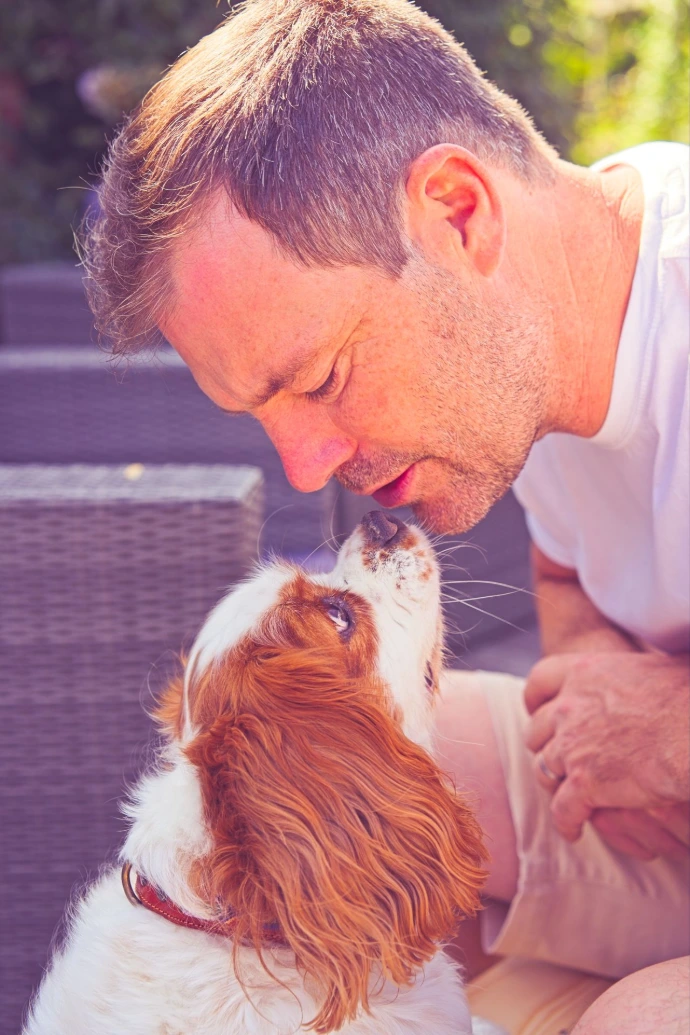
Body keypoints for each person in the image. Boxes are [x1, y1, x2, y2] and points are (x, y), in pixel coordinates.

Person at [81, 0, 690, 1030]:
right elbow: (566, 565)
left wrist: (672, 732)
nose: (306, 465)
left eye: (321, 378)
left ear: (458, 212)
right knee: (334, 775)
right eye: (263, 413)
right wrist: (593, 673)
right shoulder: (541, 337)